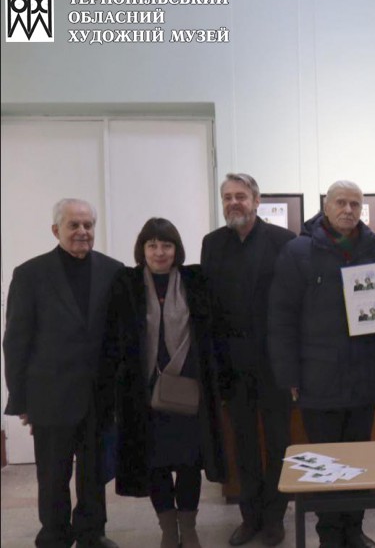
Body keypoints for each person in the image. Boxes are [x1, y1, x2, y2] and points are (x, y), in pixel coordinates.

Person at [268, 180, 375, 548]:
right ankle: (330, 536)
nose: (348, 210)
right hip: (317, 376)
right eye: (341, 202)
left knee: (359, 460)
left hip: (363, 375)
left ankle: (354, 530)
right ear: (326, 206)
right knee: (326, 463)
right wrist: (288, 374)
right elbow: (281, 317)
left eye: (355, 204)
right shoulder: (298, 251)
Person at [3, 198, 123, 548]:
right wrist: (20, 399)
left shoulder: (114, 271)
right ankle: (54, 533)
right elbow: (16, 341)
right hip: (50, 394)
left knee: (93, 472)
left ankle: (92, 532)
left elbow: (120, 336)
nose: (82, 231)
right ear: (56, 230)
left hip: (99, 395)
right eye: (74, 225)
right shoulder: (30, 274)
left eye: (88, 225)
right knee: (53, 474)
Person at [103, 218, 227, 548]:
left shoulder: (194, 280)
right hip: (143, 393)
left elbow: (213, 333)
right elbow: (113, 338)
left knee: (189, 464)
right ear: (142, 249)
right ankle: (168, 530)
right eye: (152, 245)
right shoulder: (127, 283)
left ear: (177, 249)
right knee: (154, 464)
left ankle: (189, 528)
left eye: (167, 245)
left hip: (189, 391)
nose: (160, 252)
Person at [200, 173, 296, 547]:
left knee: (278, 443)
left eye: (240, 196)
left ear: (257, 200)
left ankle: (274, 518)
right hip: (231, 364)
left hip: (274, 364)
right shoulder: (212, 244)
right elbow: (209, 306)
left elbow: (292, 306)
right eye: (227, 197)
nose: (233, 203)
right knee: (242, 444)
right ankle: (250, 516)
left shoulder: (283, 242)